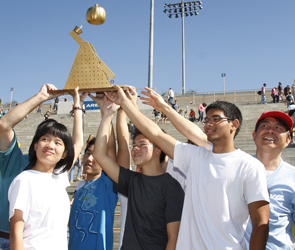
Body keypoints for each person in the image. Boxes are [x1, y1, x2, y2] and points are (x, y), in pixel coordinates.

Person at [106, 85, 269, 250]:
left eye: (216, 119)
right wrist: (125, 103)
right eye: (207, 120)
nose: (209, 124)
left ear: (234, 124)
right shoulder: (195, 157)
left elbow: (260, 222)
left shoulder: (250, 167)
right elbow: (156, 134)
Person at [0, 84, 85, 249]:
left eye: (57, 141)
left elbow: (77, 143)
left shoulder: (57, 173)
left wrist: (78, 103)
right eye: (45, 137)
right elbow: (4, 125)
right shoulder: (16, 164)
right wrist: (41, 97)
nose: (51, 144)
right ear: (35, 143)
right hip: (6, 241)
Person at [94, 91, 184, 250]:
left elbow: (174, 238)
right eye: (134, 145)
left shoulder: (171, 187)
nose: (135, 149)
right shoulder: (132, 181)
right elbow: (100, 155)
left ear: (158, 149)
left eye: (142, 145)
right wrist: (107, 114)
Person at [68, 93, 118, 250]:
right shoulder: (79, 188)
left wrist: (106, 112)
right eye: (88, 154)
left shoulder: (107, 184)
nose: (90, 159)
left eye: (96, 156)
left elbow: (110, 146)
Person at [244, 111, 295, 249]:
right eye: (265, 125)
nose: (270, 130)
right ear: (254, 135)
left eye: (278, 128)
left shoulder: (292, 177)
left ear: (288, 140)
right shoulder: (238, 168)